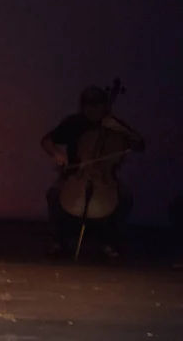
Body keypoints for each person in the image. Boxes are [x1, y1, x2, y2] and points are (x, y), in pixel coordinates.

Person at [40, 85, 145, 259]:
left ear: (105, 106)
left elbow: (140, 145)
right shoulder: (74, 123)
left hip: (106, 178)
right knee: (54, 194)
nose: (93, 110)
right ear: (83, 106)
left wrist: (121, 130)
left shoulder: (114, 126)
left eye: (97, 106)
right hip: (75, 175)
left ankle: (110, 242)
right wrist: (57, 155)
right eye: (89, 106)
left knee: (125, 198)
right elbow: (46, 140)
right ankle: (59, 240)